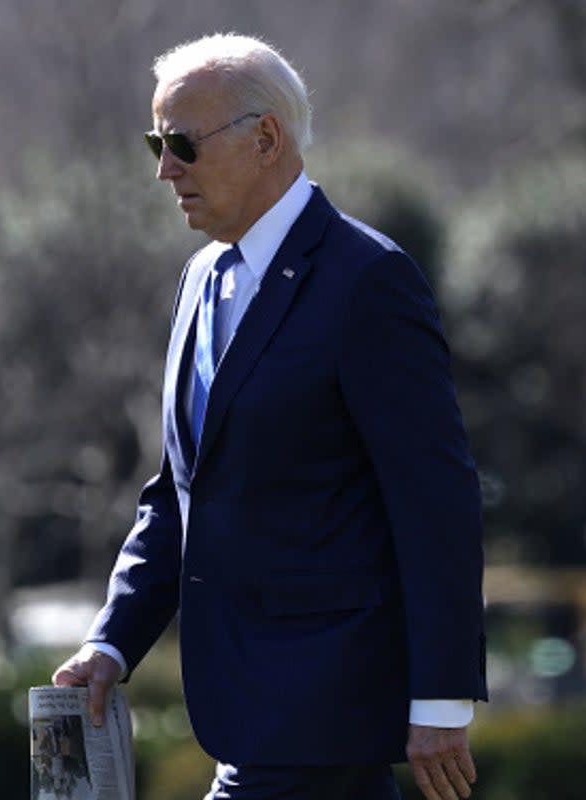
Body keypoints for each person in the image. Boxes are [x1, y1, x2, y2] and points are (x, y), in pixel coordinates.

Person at [51, 33, 488, 800]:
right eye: (157, 142)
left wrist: (441, 700)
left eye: (181, 142)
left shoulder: (368, 281)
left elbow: (436, 501)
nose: (164, 168)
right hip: (247, 714)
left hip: (327, 708)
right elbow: (183, 491)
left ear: (266, 138)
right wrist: (112, 642)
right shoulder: (198, 280)